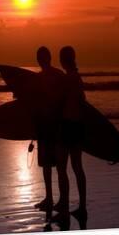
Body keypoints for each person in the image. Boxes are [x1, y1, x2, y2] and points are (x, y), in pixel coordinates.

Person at [53, 45, 87, 225]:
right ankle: (82, 207)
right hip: (78, 125)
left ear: (63, 59)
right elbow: (83, 102)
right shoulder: (77, 78)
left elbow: (59, 103)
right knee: (77, 167)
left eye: (60, 57)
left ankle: (64, 209)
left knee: (61, 167)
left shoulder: (68, 79)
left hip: (67, 125)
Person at [32, 46, 67, 213]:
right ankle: (49, 197)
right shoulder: (38, 78)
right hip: (43, 125)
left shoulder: (58, 76)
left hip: (57, 126)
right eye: (39, 58)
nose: (41, 60)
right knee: (46, 165)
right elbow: (32, 100)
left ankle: (62, 200)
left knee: (60, 166)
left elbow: (67, 98)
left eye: (43, 57)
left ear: (49, 58)